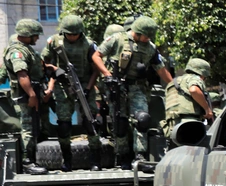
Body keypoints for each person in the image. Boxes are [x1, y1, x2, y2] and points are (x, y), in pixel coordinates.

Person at [92, 15, 173, 167]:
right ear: (138, 31)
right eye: (146, 35)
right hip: (116, 85)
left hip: (137, 87)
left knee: (142, 119)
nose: (148, 38)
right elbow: (96, 56)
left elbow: (160, 69)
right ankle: (122, 155)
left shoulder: (150, 48)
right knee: (120, 123)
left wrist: (174, 84)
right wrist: (106, 74)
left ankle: (140, 156)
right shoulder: (117, 39)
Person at [40, 15, 103, 171]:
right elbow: (43, 62)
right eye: (69, 34)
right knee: (63, 124)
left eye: (75, 34)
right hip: (63, 84)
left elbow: (96, 69)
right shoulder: (54, 42)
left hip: (84, 84)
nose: (72, 37)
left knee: (91, 122)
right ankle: (67, 161)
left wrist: (88, 88)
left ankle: (95, 160)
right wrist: (56, 72)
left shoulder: (89, 45)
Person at [2, 19, 52, 175]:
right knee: (28, 129)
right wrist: (31, 95)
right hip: (25, 96)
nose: (37, 38)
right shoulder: (17, 51)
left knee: (35, 128)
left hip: (32, 92)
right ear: (27, 34)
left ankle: (32, 160)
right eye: (35, 35)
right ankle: (27, 162)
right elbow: (22, 74)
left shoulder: (26, 49)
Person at [163, 58, 214, 141]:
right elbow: (194, 90)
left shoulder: (172, 83)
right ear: (203, 73)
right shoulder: (194, 78)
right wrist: (207, 109)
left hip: (172, 128)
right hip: (189, 126)